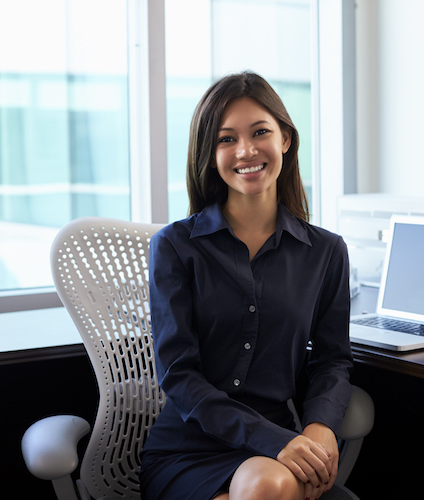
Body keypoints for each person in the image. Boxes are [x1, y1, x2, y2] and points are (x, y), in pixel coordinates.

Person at [140, 71, 354, 500]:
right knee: (269, 484)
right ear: (210, 152)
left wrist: (321, 428)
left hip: (281, 447)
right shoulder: (176, 247)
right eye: (226, 139)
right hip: (190, 446)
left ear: (285, 140)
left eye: (261, 132)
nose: (246, 150)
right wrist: (279, 443)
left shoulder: (325, 252)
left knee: (268, 484)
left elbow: (332, 361)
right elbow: (179, 375)